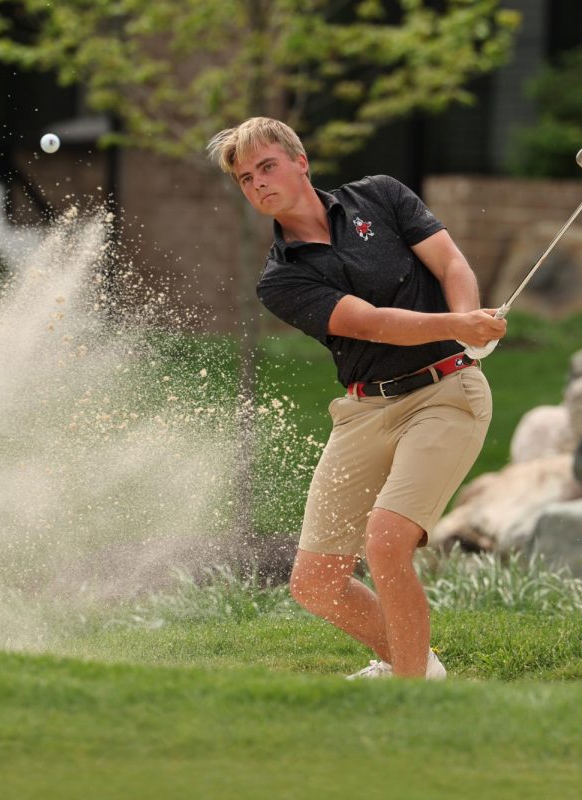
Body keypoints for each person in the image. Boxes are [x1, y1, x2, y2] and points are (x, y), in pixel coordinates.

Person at [206, 117, 506, 680]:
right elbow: (368, 324)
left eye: (266, 166)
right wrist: (456, 319)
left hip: (445, 394)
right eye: (245, 179)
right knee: (315, 582)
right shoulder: (279, 279)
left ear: (300, 162)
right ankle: (417, 665)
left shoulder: (382, 195)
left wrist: (469, 329)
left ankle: (413, 693)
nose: (257, 184)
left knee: (387, 542)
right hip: (364, 410)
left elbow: (450, 264)